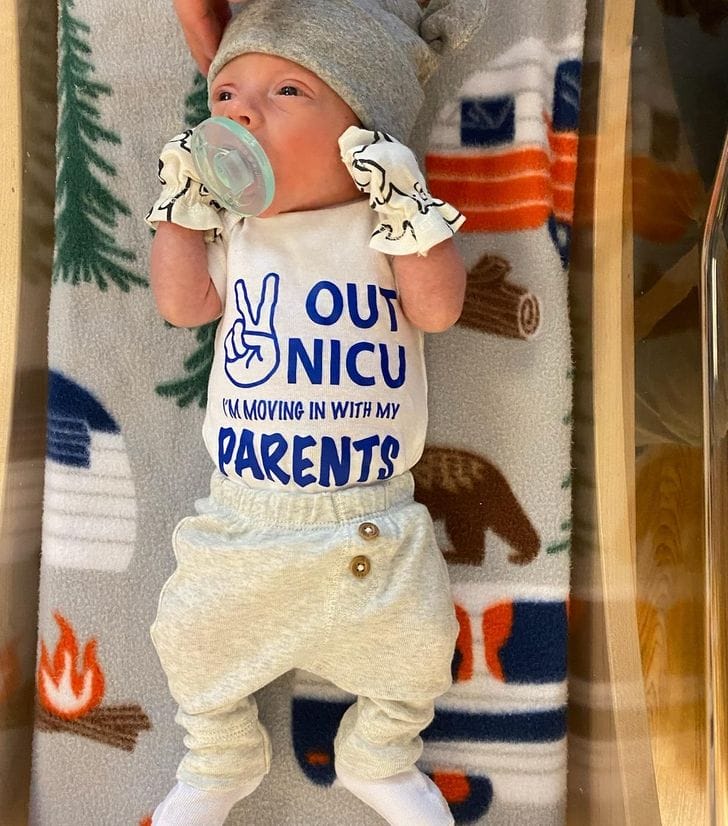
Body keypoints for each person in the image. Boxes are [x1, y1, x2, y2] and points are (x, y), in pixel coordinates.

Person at [146, 0, 479, 823]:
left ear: (366, 130)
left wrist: (409, 206)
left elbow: (436, 310)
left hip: (372, 524)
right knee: (188, 636)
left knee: (420, 649)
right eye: (225, 97)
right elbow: (185, 306)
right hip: (245, 519)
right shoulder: (237, 228)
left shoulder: (387, 223)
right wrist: (182, 213)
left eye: (286, 91)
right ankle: (218, 754)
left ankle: (381, 754)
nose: (240, 115)